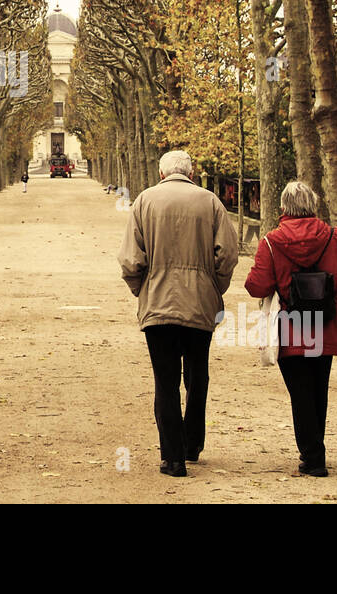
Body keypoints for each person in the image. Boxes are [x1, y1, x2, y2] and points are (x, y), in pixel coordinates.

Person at [118, 150, 239, 477]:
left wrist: (142, 289)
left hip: (157, 303)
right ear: (191, 173)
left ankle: (172, 458)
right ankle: (193, 443)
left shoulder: (144, 201)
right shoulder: (211, 202)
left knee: (165, 381)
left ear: (161, 174)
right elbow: (227, 254)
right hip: (200, 303)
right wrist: (214, 287)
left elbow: (130, 259)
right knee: (197, 375)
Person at [245, 180, 337, 478]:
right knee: (318, 389)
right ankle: (315, 452)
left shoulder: (272, 241)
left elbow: (256, 286)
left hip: (292, 328)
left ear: (283, 208)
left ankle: (312, 456)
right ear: (313, 206)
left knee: (300, 392)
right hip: (327, 326)